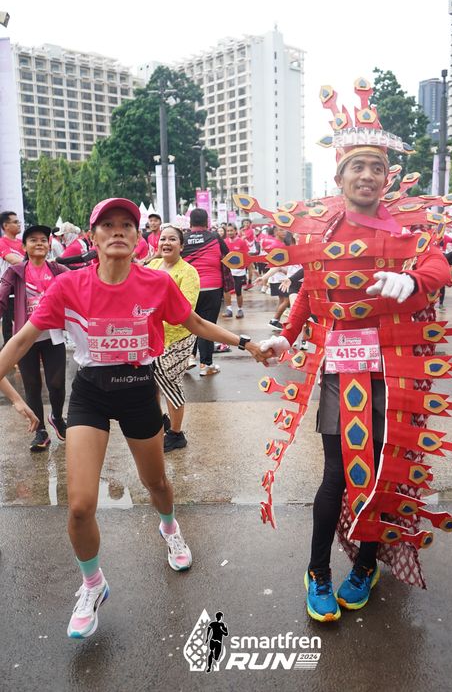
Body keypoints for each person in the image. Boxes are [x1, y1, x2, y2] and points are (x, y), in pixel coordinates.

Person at [0, 197, 269, 639]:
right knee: (80, 505)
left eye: (127, 224)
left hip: (139, 390)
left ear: (138, 236)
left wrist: (246, 343)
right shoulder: (68, 287)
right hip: (90, 394)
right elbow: (23, 339)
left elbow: (197, 324)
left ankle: (170, 528)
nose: (118, 231)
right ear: (93, 237)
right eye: (108, 225)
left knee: (156, 483)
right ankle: (93, 584)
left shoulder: (156, 283)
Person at [257, 79, 451, 623]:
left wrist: (412, 281)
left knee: (385, 469)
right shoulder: (318, 232)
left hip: (395, 369)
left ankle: (365, 564)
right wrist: (287, 335)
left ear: (387, 178)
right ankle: (318, 571)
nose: (367, 175)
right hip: (338, 369)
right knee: (336, 472)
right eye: (357, 166)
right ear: (339, 176)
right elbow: (309, 293)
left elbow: (438, 265)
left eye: (376, 168)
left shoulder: (410, 227)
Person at [0, 225, 68, 451]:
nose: (39, 243)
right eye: (33, 240)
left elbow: (80, 287)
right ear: (24, 247)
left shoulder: (58, 269)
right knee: (32, 385)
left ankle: (56, 417)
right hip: (25, 337)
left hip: (53, 335)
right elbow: (2, 297)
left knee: (57, 384)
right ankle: (40, 432)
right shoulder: (15, 272)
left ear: (49, 245)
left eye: (43, 240)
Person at [147, 226, 200, 452]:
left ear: (182, 246)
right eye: (163, 239)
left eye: (172, 239)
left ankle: (177, 434)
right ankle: (162, 422)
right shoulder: (152, 266)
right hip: (152, 336)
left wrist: (152, 314)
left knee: (170, 382)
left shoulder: (188, 272)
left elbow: (186, 308)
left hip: (178, 338)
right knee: (151, 383)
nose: (166, 243)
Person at [183, 208, 229, 375]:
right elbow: (228, 256)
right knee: (207, 325)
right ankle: (206, 365)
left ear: (190, 222)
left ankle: (189, 357)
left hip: (189, 287)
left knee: (190, 324)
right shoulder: (215, 237)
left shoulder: (183, 239)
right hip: (212, 287)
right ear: (207, 222)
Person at [0, 211, 24, 345]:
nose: (19, 224)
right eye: (15, 222)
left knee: (24, 322)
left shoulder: (22, 243)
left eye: (18, 221)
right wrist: (34, 262)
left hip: (24, 287)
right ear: (6, 226)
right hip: (8, 290)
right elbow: (13, 260)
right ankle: (8, 351)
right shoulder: (1, 242)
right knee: (9, 324)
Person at [222, 223, 249, 319]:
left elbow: (246, 256)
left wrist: (245, 267)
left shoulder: (241, 242)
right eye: (228, 231)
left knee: (238, 291)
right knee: (226, 290)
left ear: (235, 231)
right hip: (228, 270)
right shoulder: (224, 241)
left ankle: (240, 310)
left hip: (239, 271)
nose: (229, 232)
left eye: (231, 230)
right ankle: (229, 309)